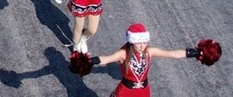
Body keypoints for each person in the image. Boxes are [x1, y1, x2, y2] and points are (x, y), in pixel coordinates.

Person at [82, 23, 211, 94]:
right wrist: (89, 61)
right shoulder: (123, 54)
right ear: (132, 42)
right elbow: (106, 59)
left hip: (144, 91)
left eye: (144, 42)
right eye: (139, 43)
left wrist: (195, 53)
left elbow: (173, 54)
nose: (142, 46)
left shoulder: (149, 52)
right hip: (126, 92)